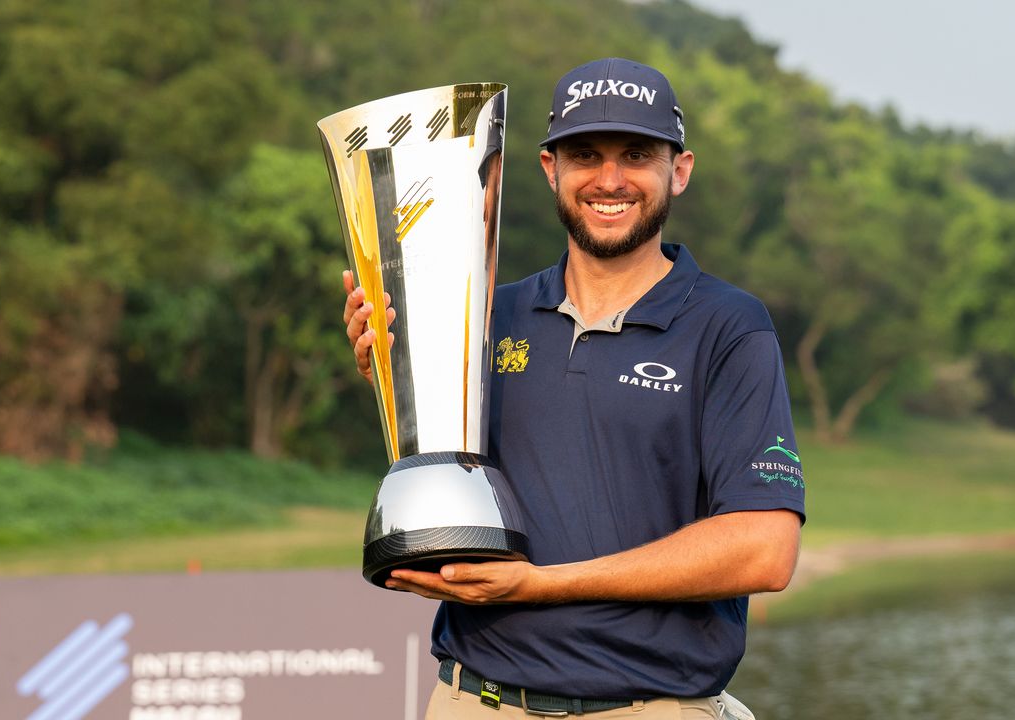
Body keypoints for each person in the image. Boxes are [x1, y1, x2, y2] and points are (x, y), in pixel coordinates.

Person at [343, 58, 804, 719]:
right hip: (474, 701)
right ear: (549, 169)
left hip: (647, 707)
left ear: (679, 169)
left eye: (636, 155)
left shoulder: (727, 327)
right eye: (585, 154)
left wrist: (536, 587)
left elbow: (765, 549)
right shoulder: (483, 316)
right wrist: (397, 385)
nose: (610, 179)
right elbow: (448, 503)